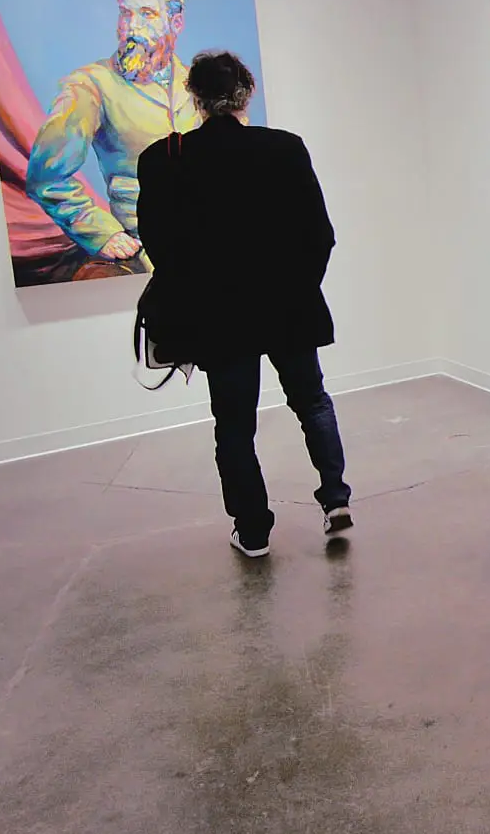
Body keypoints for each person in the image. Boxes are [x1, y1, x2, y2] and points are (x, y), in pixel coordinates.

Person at [136, 51, 354, 558]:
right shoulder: (285, 148)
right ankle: (335, 498)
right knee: (312, 402)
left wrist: (197, 292)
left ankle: (253, 531)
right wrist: (299, 288)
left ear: (195, 97)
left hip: (218, 316)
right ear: (246, 94)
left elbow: (159, 246)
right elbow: (320, 235)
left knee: (234, 425)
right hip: (288, 307)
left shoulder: (163, 159)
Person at [25, 0, 202, 281]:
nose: (132, 26)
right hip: (144, 253)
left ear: (175, 23)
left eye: (146, 13)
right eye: (125, 13)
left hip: (209, 244)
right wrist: (102, 233)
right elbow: (46, 177)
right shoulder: (89, 85)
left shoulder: (198, 84)